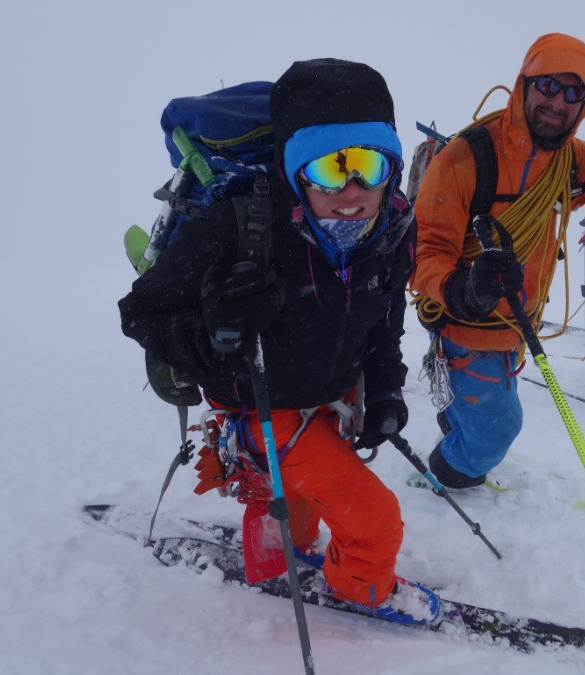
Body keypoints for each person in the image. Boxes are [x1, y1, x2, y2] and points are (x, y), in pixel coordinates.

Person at [117, 59, 439, 625]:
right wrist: (215, 336)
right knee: (375, 521)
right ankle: (360, 586)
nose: (353, 190)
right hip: (257, 406)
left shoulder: (393, 230)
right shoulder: (239, 226)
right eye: (329, 169)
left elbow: (386, 316)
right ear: (295, 171)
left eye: (368, 165)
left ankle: (284, 541)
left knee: (302, 497)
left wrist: (386, 390)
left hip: (332, 399)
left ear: (391, 166)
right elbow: (141, 312)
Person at [410, 32, 585, 489]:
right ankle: (449, 474)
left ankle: (459, 427)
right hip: (467, 323)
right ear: (524, 84)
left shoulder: (570, 163)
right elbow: (423, 251)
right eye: (548, 86)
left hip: (518, 325)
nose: (558, 101)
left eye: (574, 93)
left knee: (488, 401)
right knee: (498, 427)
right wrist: (464, 289)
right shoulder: (466, 156)